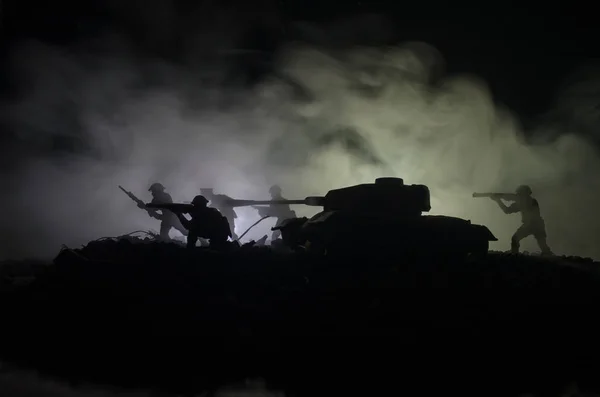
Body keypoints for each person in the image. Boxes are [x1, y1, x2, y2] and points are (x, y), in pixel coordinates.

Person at [491, 185, 553, 255]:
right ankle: (550, 258)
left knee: (515, 239)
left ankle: (515, 256)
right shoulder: (531, 201)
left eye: (519, 194)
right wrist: (500, 199)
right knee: (543, 246)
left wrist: (498, 200)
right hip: (538, 224)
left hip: (530, 225)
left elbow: (507, 210)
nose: (518, 196)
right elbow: (508, 209)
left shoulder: (526, 202)